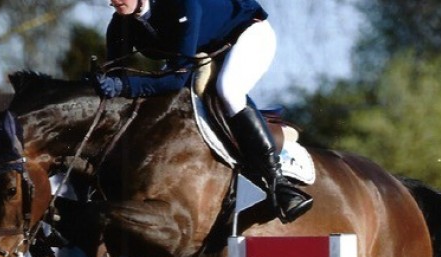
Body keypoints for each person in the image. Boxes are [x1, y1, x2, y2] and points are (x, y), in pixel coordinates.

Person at [96, 0, 313, 223]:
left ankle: (280, 185)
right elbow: (115, 74)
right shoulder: (119, 25)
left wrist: (125, 85)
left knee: (228, 89)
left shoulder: (181, 6)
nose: (112, 1)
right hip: (203, 50)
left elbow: (175, 79)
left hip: (247, 34)